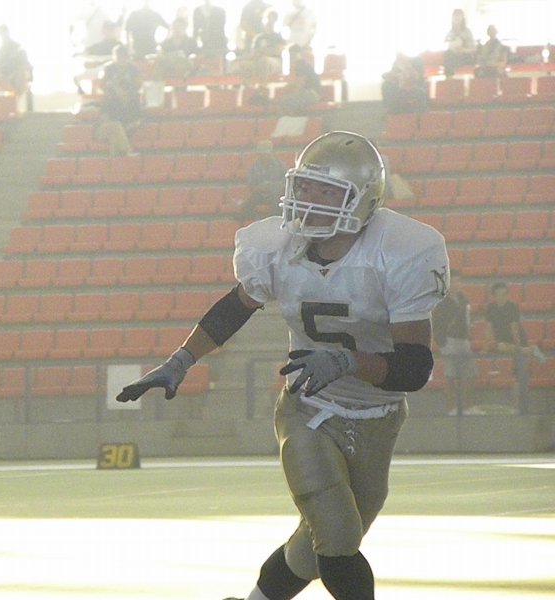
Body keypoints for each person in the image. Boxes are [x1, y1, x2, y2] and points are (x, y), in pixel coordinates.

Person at [117, 130, 449, 600]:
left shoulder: (399, 250)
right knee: (338, 540)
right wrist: (182, 358)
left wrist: (347, 360)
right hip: (308, 409)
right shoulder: (276, 245)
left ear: (363, 198)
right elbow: (236, 306)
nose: (308, 199)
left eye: (326, 190)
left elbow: (414, 368)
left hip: (380, 416)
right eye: (304, 185)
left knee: (312, 549)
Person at [484, 282, 546, 415]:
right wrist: (485, 348)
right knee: (501, 347)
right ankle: (531, 350)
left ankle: (519, 407)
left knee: (521, 375)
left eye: (504, 294)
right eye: (499, 295)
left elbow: (514, 328)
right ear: (494, 296)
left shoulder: (512, 306)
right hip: (503, 340)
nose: (502, 297)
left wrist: (518, 348)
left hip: (517, 340)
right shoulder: (490, 308)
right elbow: (488, 328)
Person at [432, 269, 481, 415]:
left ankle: (468, 407)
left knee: (470, 374)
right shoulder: (441, 301)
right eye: (452, 281)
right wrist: (443, 342)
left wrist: (469, 328)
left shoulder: (462, 298)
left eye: (458, 281)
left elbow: (467, 316)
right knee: (450, 376)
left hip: (463, 340)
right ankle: (451, 408)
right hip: (449, 341)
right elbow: (437, 324)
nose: (456, 284)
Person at [94, 44, 142, 156]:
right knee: (116, 126)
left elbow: (138, 118)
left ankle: (116, 163)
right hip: (103, 130)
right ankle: (128, 151)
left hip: (119, 132)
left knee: (114, 139)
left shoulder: (133, 102)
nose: (121, 91)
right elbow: (104, 119)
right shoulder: (109, 100)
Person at [0, 25, 34, 109]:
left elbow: (23, 64)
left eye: (4, 32)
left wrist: (13, 74)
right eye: (1, 33)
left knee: (21, 76)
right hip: (3, 76)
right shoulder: (1, 50)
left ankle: (16, 105)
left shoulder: (18, 46)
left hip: (16, 75)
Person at [235, 9, 285, 87]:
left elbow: (277, 51)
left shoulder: (278, 37)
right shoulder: (259, 37)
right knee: (244, 64)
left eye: (272, 18)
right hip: (258, 60)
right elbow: (253, 53)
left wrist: (262, 52)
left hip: (274, 62)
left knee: (264, 60)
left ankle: (263, 86)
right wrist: (242, 58)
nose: (269, 21)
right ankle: (248, 87)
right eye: (268, 18)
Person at [241, 140, 287, 219]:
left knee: (277, 205)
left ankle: (274, 221)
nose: (264, 155)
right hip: (260, 193)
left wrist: (279, 187)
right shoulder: (253, 167)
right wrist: (258, 188)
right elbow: (251, 183)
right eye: (262, 153)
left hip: (276, 194)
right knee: (246, 205)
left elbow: (286, 178)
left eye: (266, 153)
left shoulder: (279, 164)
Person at [273, 46, 321, 113]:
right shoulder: (303, 64)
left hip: (310, 94)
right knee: (284, 101)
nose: (292, 57)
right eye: (291, 55)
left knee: (281, 101)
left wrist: (294, 94)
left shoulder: (301, 64)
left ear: (300, 54)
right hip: (311, 94)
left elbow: (300, 83)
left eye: (294, 55)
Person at [442, 8, 476, 77]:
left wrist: (463, 50)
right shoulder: (450, 33)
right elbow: (445, 45)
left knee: (450, 57)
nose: (456, 18)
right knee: (448, 55)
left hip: (466, 56)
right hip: (453, 56)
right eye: (455, 16)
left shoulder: (467, 32)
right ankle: (449, 77)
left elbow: (474, 49)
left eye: (458, 15)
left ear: (462, 18)